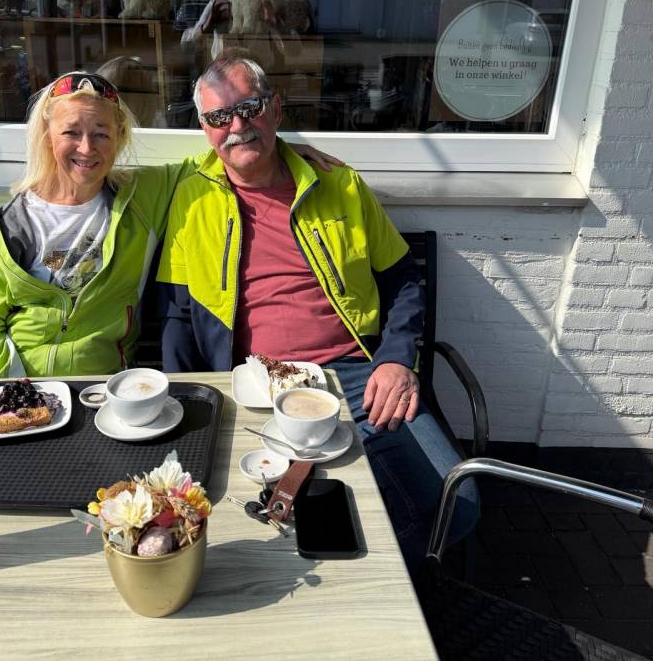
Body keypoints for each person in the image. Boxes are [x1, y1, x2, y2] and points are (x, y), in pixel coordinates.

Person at [156, 55, 478, 574]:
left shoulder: (339, 184)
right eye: (219, 117)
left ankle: (359, 585)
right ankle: (327, 574)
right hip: (253, 381)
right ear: (204, 127)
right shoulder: (190, 194)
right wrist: (192, 396)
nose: (236, 126)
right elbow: (177, 311)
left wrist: (397, 359)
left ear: (275, 109)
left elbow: (402, 280)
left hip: (355, 373)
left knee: (455, 505)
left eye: (249, 108)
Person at [0, 70, 339, 386]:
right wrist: (1, 393)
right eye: (71, 133)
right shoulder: (12, 223)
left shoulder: (141, 197)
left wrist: (277, 150)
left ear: (119, 137)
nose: (87, 148)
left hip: (103, 387)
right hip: (16, 383)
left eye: (101, 133)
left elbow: (222, 154)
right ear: (47, 137)